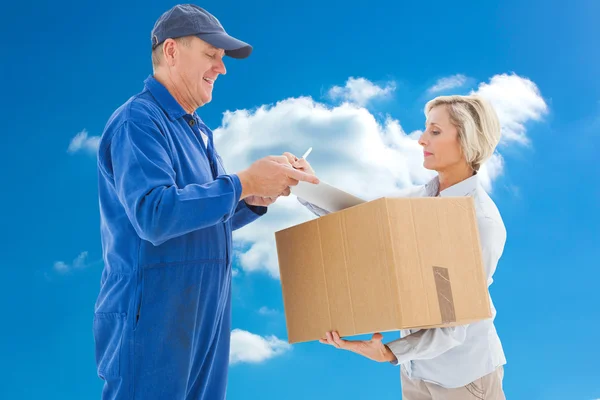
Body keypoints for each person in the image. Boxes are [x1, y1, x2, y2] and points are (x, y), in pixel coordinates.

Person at [93, 4, 319, 400]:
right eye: (211, 54)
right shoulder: (139, 121)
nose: (222, 67)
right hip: (153, 321)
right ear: (172, 52)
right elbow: (155, 214)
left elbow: (199, 217)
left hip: (203, 316)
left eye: (223, 58)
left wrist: (254, 197)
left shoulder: (198, 132)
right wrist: (244, 180)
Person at [289, 94, 507, 399]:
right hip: (416, 371)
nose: (421, 140)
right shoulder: (418, 199)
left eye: (435, 131)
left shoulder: (479, 221)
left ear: (467, 139)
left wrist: (391, 352)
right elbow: (362, 224)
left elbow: (454, 321)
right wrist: (306, 185)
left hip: (464, 378)